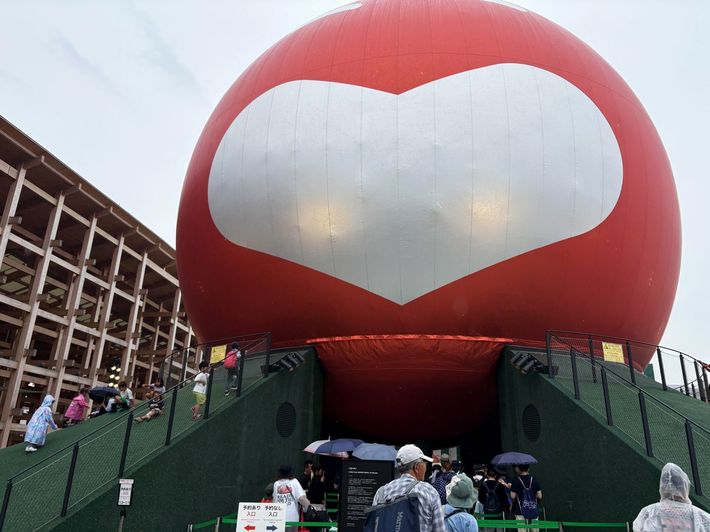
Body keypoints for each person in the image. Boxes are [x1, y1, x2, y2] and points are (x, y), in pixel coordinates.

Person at [371, 444, 445, 532]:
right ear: (417, 467)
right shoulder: (428, 491)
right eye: (424, 463)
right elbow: (439, 529)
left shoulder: (381, 492)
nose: (426, 467)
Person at [633, 463, 710, 531]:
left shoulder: (649, 512)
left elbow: (637, 528)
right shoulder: (701, 516)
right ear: (685, 486)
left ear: (662, 487)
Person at [273, 464, 311, 532]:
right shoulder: (294, 482)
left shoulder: (276, 484)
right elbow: (302, 498)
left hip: (279, 518)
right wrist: (307, 507)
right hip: (292, 518)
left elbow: (275, 501)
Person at [510, 464, 542, 532]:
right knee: (535, 530)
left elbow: (513, 496)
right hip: (533, 509)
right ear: (528, 469)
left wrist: (512, 489)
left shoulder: (516, 480)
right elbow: (540, 496)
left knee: (522, 530)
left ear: (518, 469)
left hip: (520, 510)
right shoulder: (533, 479)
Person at [478, 466, 510, 530]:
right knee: (500, 529)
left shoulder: (483, 485)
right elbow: (505, 499)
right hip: (499, 513)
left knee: (489, 529)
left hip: (487, 513)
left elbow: (481, 499)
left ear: (487, 475)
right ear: (495, 475)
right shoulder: (500, 485)